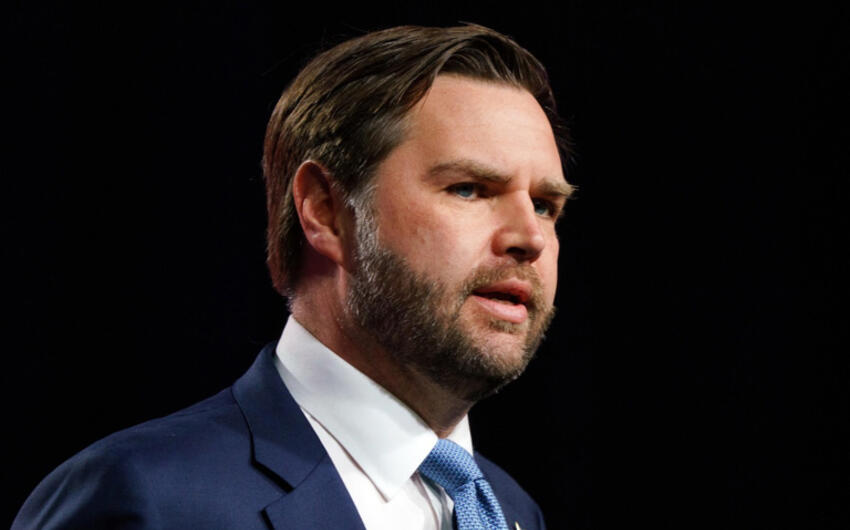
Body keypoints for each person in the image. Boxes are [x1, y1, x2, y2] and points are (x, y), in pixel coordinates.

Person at [13, 24, 573, 530]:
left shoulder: (511, 511)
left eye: (546, 205)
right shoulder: (149, 500)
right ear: (326, 212)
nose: (530, 237)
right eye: (469, 189)